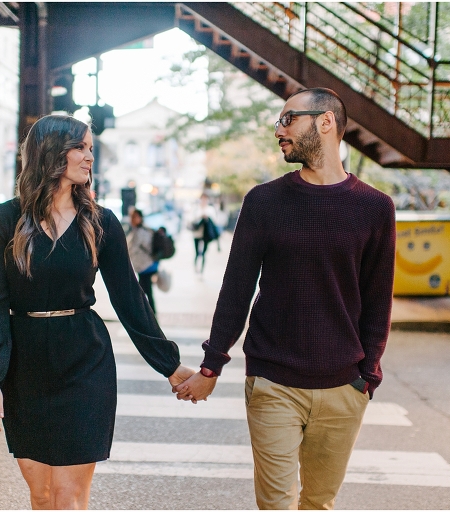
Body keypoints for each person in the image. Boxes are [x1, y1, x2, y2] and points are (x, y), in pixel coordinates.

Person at [174, 88, 396, 510]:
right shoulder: (264, 201)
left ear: (325, 122)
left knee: (318, 504)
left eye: (288, 119)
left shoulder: (375, 207)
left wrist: (366, 376)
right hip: (273, 381)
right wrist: (211, 363)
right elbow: (236, 289)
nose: (278, 130)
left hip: (343, 386)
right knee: (277, 505)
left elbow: (377, 301)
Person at [0, 115, 195, 510]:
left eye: (91, 148)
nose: (90, 157)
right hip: (26, 367)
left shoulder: (100, 221)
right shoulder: (5, 220)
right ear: (52, 152)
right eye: (81, 147)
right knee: (41, 495)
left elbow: (130, 299)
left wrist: (170, 365)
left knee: (68, 496)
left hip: (85, 363)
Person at [126, 209, 158, 312]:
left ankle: (148, 313)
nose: (132, 219)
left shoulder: (140, 232)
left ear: (140, 218)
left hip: (145, 265)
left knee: (142, 291)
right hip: (145, 265)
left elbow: (131, 249)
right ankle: (148, 312)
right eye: (132, 217)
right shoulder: (143, 230)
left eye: (135, 217)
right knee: (144, 290)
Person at [191, 196, 219, 274]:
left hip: (206, 234)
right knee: (197, 252)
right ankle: (196, 267)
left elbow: (215, 221)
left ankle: (202, 270)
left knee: (204, 253)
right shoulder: (196, 209)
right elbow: (191, 220)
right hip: (197, 233)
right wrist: (200, 216)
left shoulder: (210, 209)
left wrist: (208, 217)